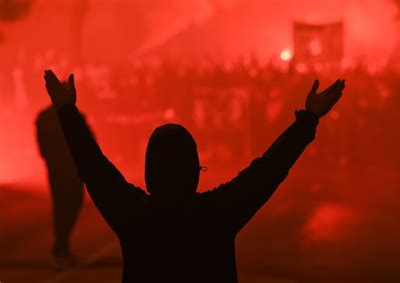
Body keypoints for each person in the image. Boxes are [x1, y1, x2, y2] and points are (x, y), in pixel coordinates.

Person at [43, 69, 345, 282]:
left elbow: (92, 166)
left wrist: (66, 111)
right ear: (194, 172)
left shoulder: (132, 214)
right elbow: (269, 169)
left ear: (150, 173)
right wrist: (308, 120)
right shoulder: (218, 213)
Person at [36, 104, 90, 269]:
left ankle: (61, 246)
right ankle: (61, 247)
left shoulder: (47, 116)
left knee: (68, 205)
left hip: (66, 168)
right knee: (66, 205)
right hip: (65, 168)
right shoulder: (51, 117)